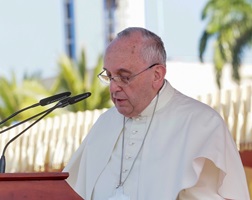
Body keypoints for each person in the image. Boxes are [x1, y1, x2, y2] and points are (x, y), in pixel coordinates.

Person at [63, 27, 250, 200]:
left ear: (157, 75)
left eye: (124, 77)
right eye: (109, 76)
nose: (114, 87)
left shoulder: (203, 123)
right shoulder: (105, 123)